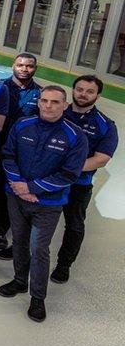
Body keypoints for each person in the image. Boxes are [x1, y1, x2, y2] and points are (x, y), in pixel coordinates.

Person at [0, 86, 88, 322]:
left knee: (38, 249)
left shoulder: (75, 136)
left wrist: (32, 188)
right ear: (38, 103)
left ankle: (38, 299)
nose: (48, 106)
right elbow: (8, 156)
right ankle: (19, 281)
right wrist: (19, 185)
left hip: (48, 203)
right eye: (44, 101)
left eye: (55, 102)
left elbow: (69, 175)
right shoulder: (22, 125)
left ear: (65, 105)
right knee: (18, 241)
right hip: (16, 197)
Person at [52, 75, 119, 283]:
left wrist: (66, 169)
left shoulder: (106, 125)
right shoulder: (56, 113)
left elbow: (101, 159)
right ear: (73, 90)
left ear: (98, 95)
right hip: (49, 180)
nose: (83, 94)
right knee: (36, 218)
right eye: (80, 89)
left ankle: (64, 265)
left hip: (78, 184)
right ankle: (19, 250)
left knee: (74, 225)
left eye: (89, 91)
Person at [0, 53, 42, 252]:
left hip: (18, 152)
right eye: (20, 65)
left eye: (29, 66)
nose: (24, 69)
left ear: (35, 68)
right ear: (13, 66)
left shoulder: (40, 94)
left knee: (6, 190)